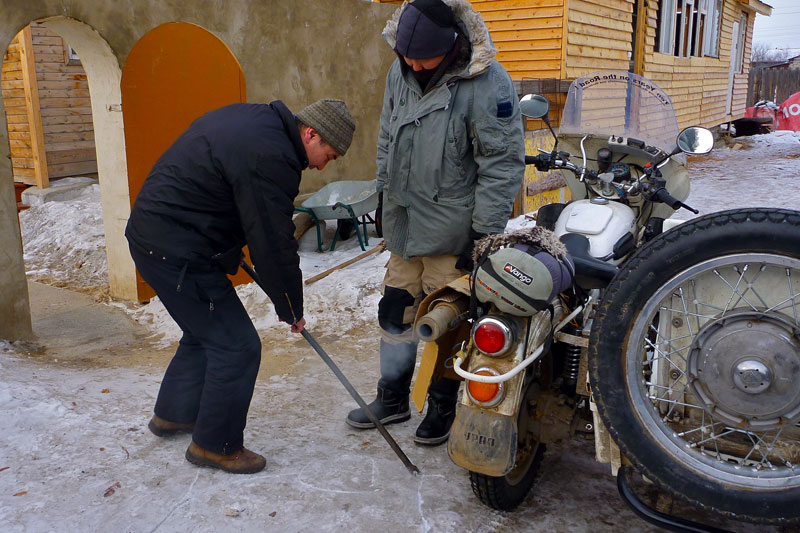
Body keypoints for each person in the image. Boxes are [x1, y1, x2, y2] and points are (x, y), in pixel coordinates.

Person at [126, 98, 355, 474]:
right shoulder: (272, 155)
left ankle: (174, 415)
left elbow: (227, 196)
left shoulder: (256, 122)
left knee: (205, 331)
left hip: (157, 235)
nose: (320, 166)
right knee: (237, 346)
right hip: (176, 248)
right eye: (326, 155)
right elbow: (271, 238)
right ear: (311, 133)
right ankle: (216, 446)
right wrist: (290, 306)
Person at [345, 0, 524, 445]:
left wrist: (484, 234)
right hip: (406, 222)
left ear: (450, 48)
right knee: (395, 310)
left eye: (420, 57)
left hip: (454, 229)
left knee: (447, 322)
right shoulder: (399, 72)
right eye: (404, 55)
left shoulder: (488, 84)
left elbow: (501, 165)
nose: (411, 64)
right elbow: (388, 134)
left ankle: (443, 405)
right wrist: (385, 197)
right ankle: (392, 398)